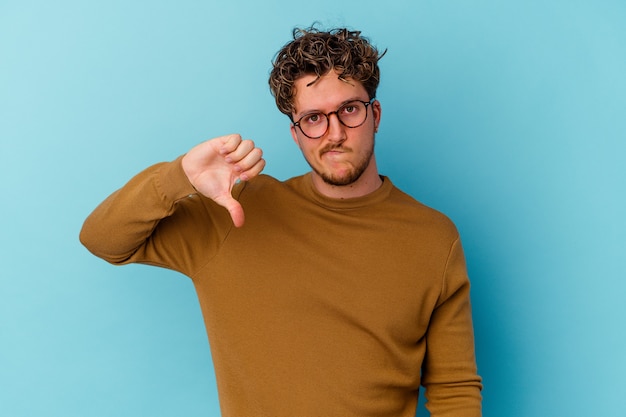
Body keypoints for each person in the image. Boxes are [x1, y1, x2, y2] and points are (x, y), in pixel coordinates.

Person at [80, 27, 482, 417]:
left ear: (374, 114)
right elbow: (103, 239)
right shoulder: (236, 212)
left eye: (349, 110)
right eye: (313, 118)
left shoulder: (433, 237)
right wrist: (179, 175)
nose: (335, 133)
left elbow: (454, 389)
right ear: (295, 133)